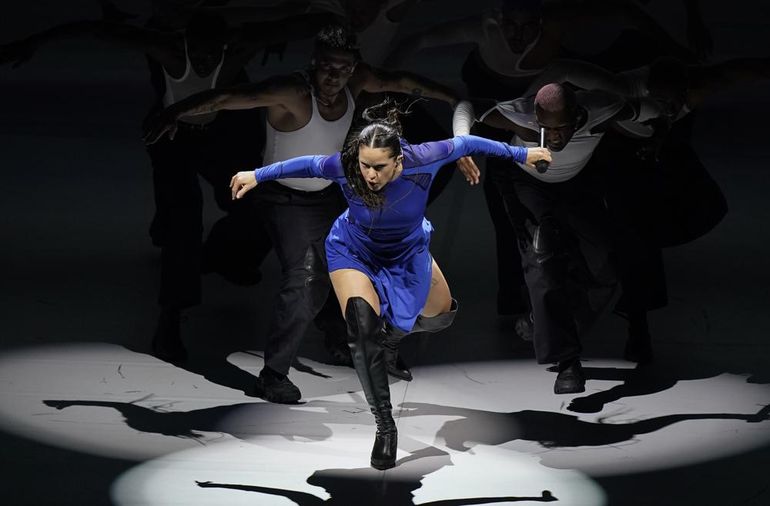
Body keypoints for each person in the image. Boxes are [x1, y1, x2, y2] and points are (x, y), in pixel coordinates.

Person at [144, 24, 462, 401]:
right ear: (314, 62)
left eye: (342, 69)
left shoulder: (354, 80)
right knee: (307, 277)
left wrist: (456, 98)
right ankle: (273, 374)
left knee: (368, 259)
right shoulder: (292, 92)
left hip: (329, 194)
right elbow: (230, 96)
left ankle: (368, 341)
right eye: (326, 67)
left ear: (352, 68)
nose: (333, 77)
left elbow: (404, 82)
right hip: (284, 197)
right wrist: (175, 111)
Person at [228, 102, 551, 470]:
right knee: (361, 326)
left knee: (440, 316)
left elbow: (470, 143)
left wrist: (523, 153)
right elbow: (306, 163)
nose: (369, 174)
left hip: (407, 251)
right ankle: (385, 425)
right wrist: (257, 174)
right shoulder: (348, 167)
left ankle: (392, 338)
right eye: (365, 165)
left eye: (379, 166)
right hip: (353, 250)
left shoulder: (425, 157)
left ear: (399, 159)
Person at [454, 82, 662, 394]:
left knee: (605, 265)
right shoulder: (521, 115)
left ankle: (549, 321)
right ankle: (567, 362)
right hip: (525, 181)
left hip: (576, 182)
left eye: (561, 129)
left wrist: (660, 129)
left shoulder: (603, 109)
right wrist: (461, 143)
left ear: (578, 117)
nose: (551, 137)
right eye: (545, 129)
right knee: (542, 261)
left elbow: (653, 109)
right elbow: (466, 106)